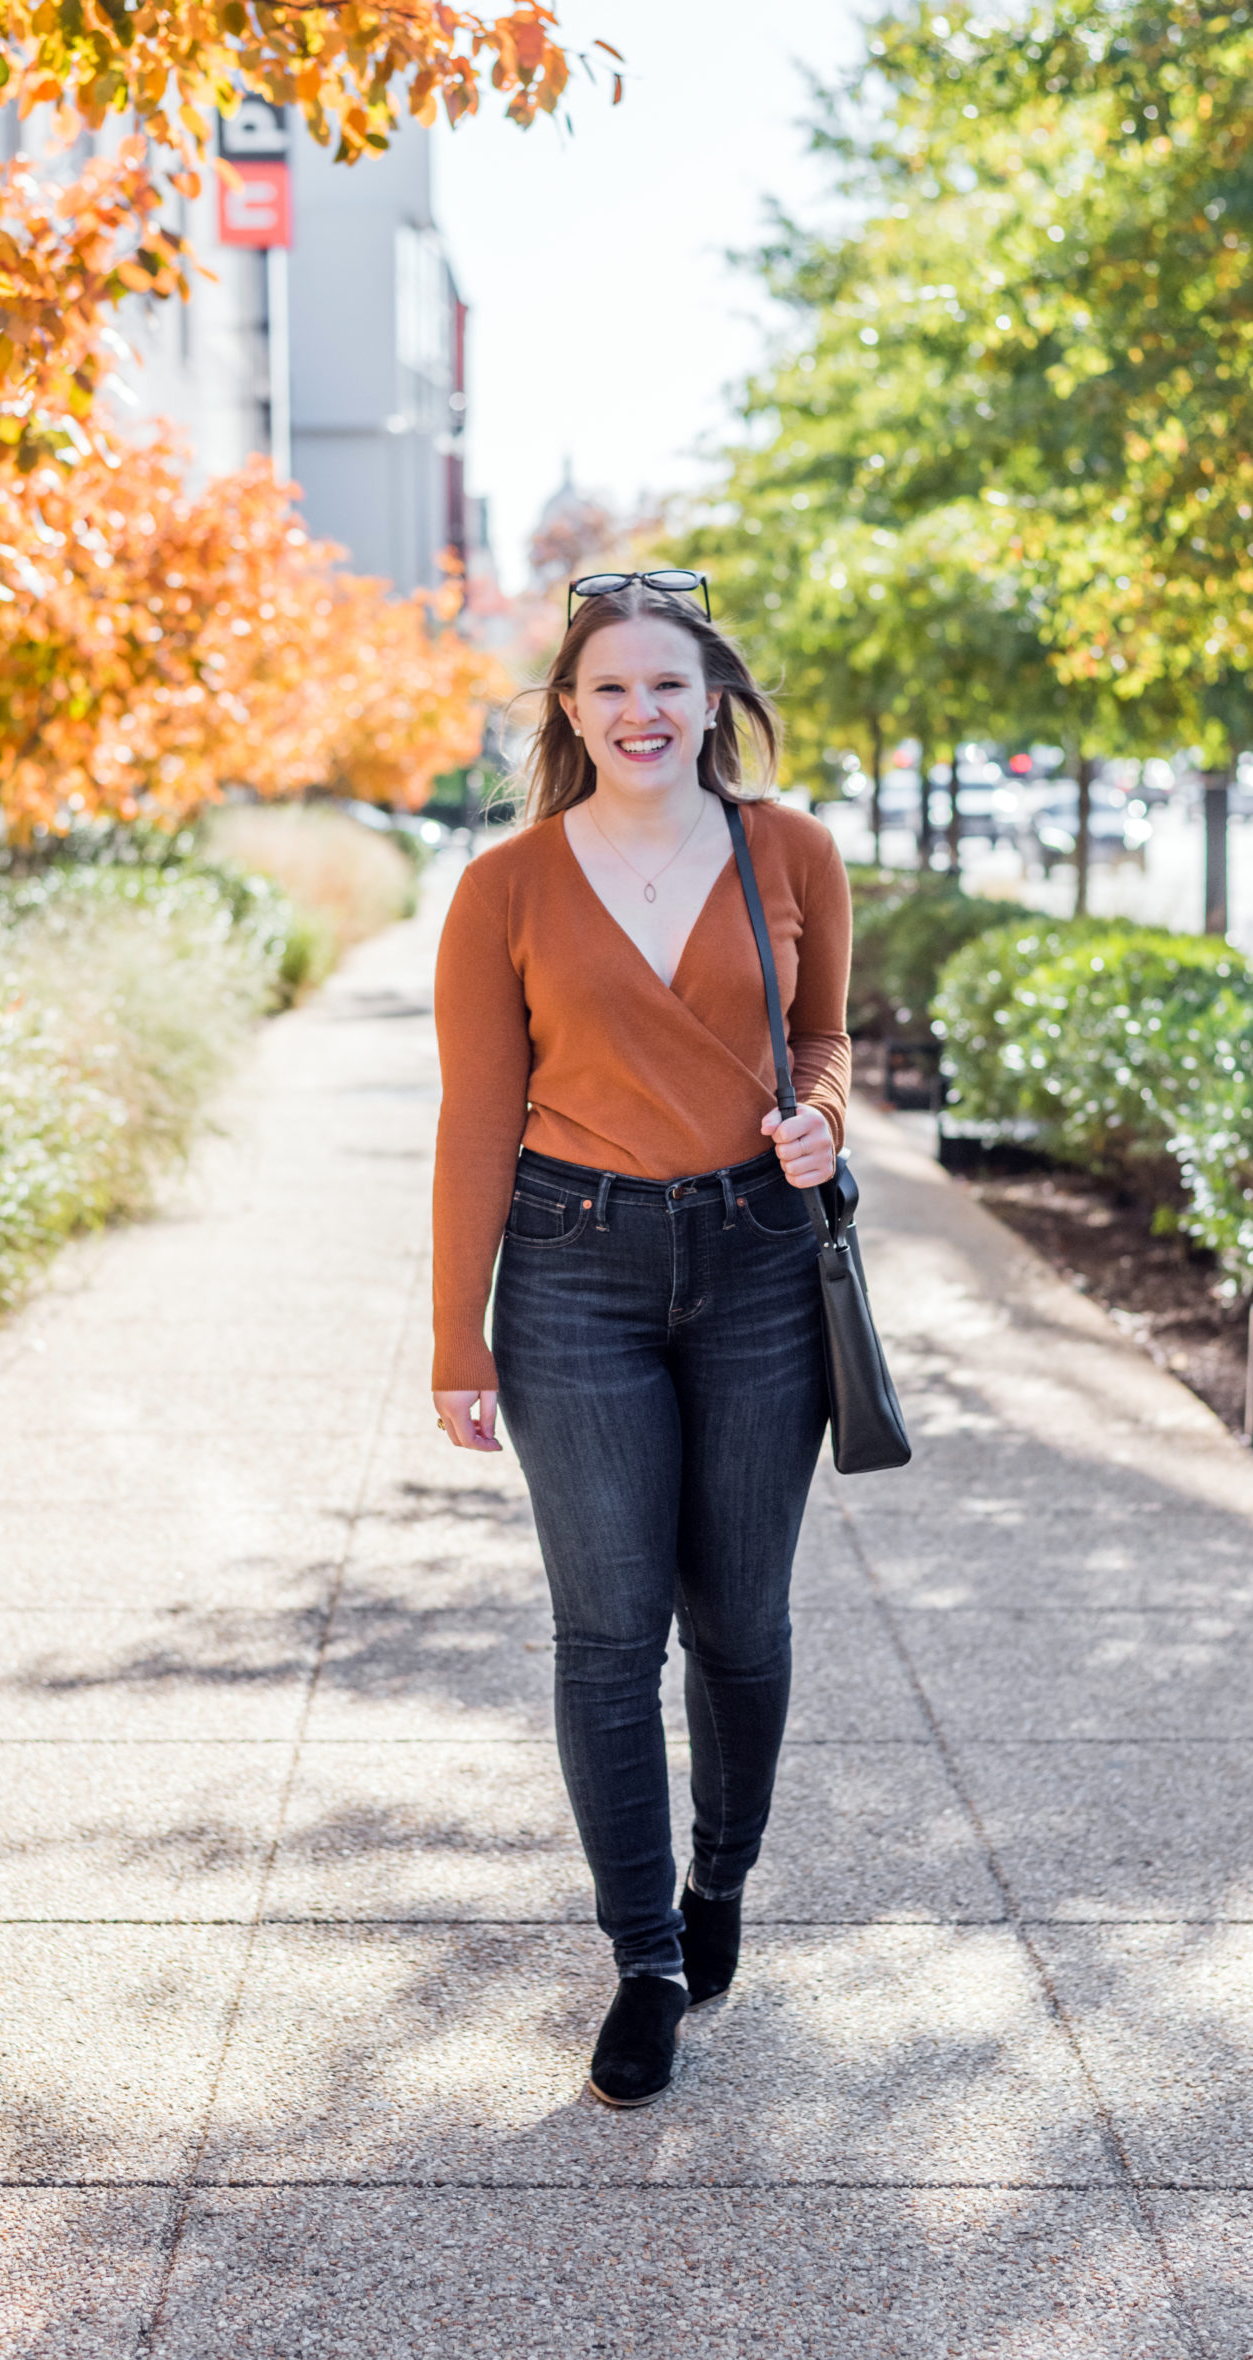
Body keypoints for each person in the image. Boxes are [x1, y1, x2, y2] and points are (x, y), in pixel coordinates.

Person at [431, 571, 850, 2107]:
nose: (640, 711)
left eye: (666, 684)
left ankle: (718, 1883)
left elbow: (820, 1040)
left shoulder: (790, 850)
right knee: (607, 1637)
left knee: (739, 1624)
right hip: (570, 1269)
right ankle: (643, 1961)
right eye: (608, 688)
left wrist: (818, 1120)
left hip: (755, 1263)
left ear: (712, 698)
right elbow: (478, 1116)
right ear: (568, 710)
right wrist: (453, 1340)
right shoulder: (507, 887)